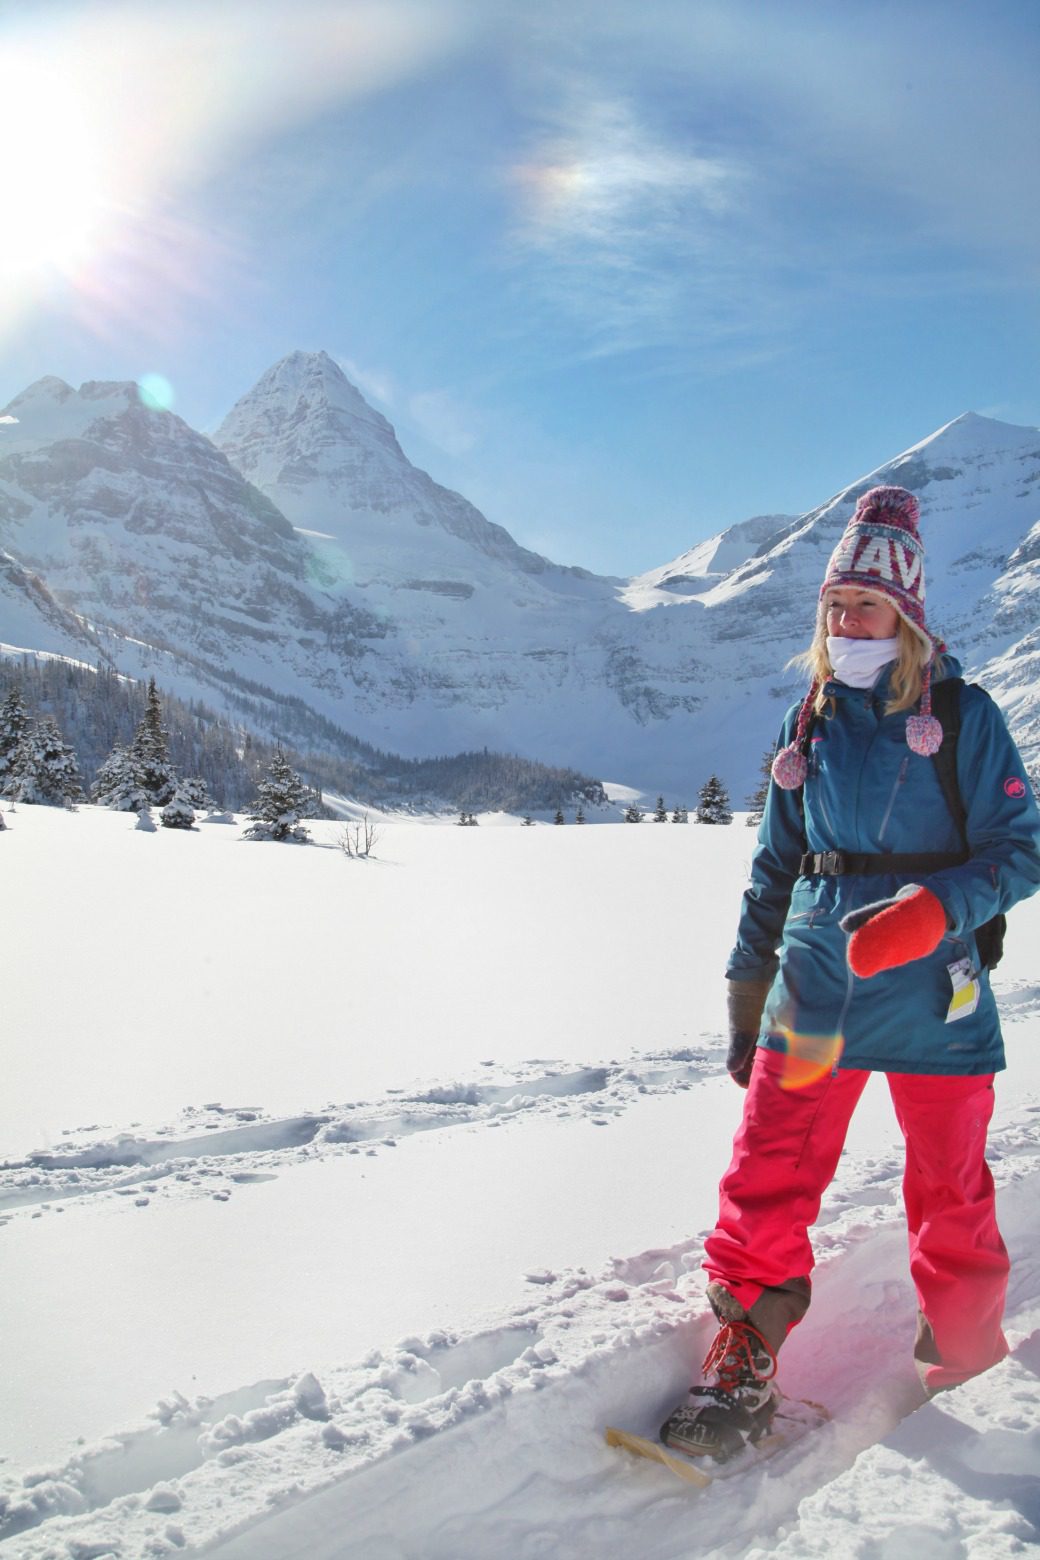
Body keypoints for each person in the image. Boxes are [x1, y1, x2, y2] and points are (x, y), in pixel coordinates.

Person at [662, 485, 1040, 1463]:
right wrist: (747, 994)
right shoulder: (812, 721)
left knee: (948, 1187)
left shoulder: (963, 715)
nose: (844, 620)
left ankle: (967, 1359)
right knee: (765, 1171)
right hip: (816, 983)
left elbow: (1020, 848)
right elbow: (772, 870)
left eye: (864, 604)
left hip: (931, 992)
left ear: (906, 613)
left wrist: (930, 912)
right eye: (833, 606)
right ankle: (741, 1352)